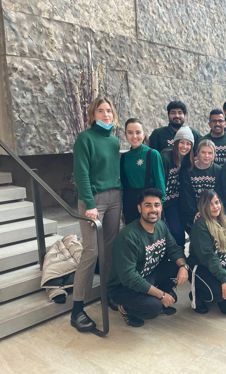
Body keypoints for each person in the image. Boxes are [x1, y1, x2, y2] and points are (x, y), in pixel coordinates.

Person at [71, 97, 122, 332]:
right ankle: (77, 308)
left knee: (110, 249)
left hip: (114, 199)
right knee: (91, 252)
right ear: (93, 114)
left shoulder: (113, 141)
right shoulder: (85, 139)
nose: (106, 114)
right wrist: (90, 203)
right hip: (93, 201)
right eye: (101, 111)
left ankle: (108, 291)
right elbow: (81, 173)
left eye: (109, 111)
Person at [108, 188, 189, 327]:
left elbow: (174, 249)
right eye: (148, 205)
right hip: (123, 287)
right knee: (154, 308)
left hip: (148, 274)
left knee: (176, 267)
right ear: (139, 208)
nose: (153, 209)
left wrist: (183, 266)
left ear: (161, 207)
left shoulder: (161, 226)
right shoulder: (128, 237)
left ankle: (155, 296)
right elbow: (130, 277)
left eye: (157, 205)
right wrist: (161, 295)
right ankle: (124, 308)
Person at [188, 190, 226, 315]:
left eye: (217, 202)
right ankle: (197, 294)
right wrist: (224, 279)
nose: (215, 206)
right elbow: (208, 257)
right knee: (218, 294)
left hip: (221, 266)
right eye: (210, 204)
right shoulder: (201, 225)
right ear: (203, 207)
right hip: (202, 267)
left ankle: (215, 289)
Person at [121, 118, 166, 225]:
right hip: (130, 202)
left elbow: (160, 182)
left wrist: (160, 205)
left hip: (149, 201)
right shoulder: (124, 157)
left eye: (138, 132)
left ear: (144, 134)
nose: (134, 136)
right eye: (130, 133)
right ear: (126, 135)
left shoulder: (152, 154)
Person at [161, 126, 195, 248]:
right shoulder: (165, 157)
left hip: (175, 202)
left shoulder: (187, 160)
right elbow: (160, 181)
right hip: (163, 202)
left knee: (178, 233)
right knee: (164, 233)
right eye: (182, 142)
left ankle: (180, 262)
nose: (185, 147)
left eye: (188, 144)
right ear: (176, 143)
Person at [180, 139, 222, 233]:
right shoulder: (187, 171)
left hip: (213, 211)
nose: (207, 156)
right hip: (194, 213)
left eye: (210, 153)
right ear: (197, 153)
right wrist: (195, 213)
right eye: (203, 152)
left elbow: (220, 194)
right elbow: (186, 197)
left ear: (214, 155)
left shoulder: (218, 170)